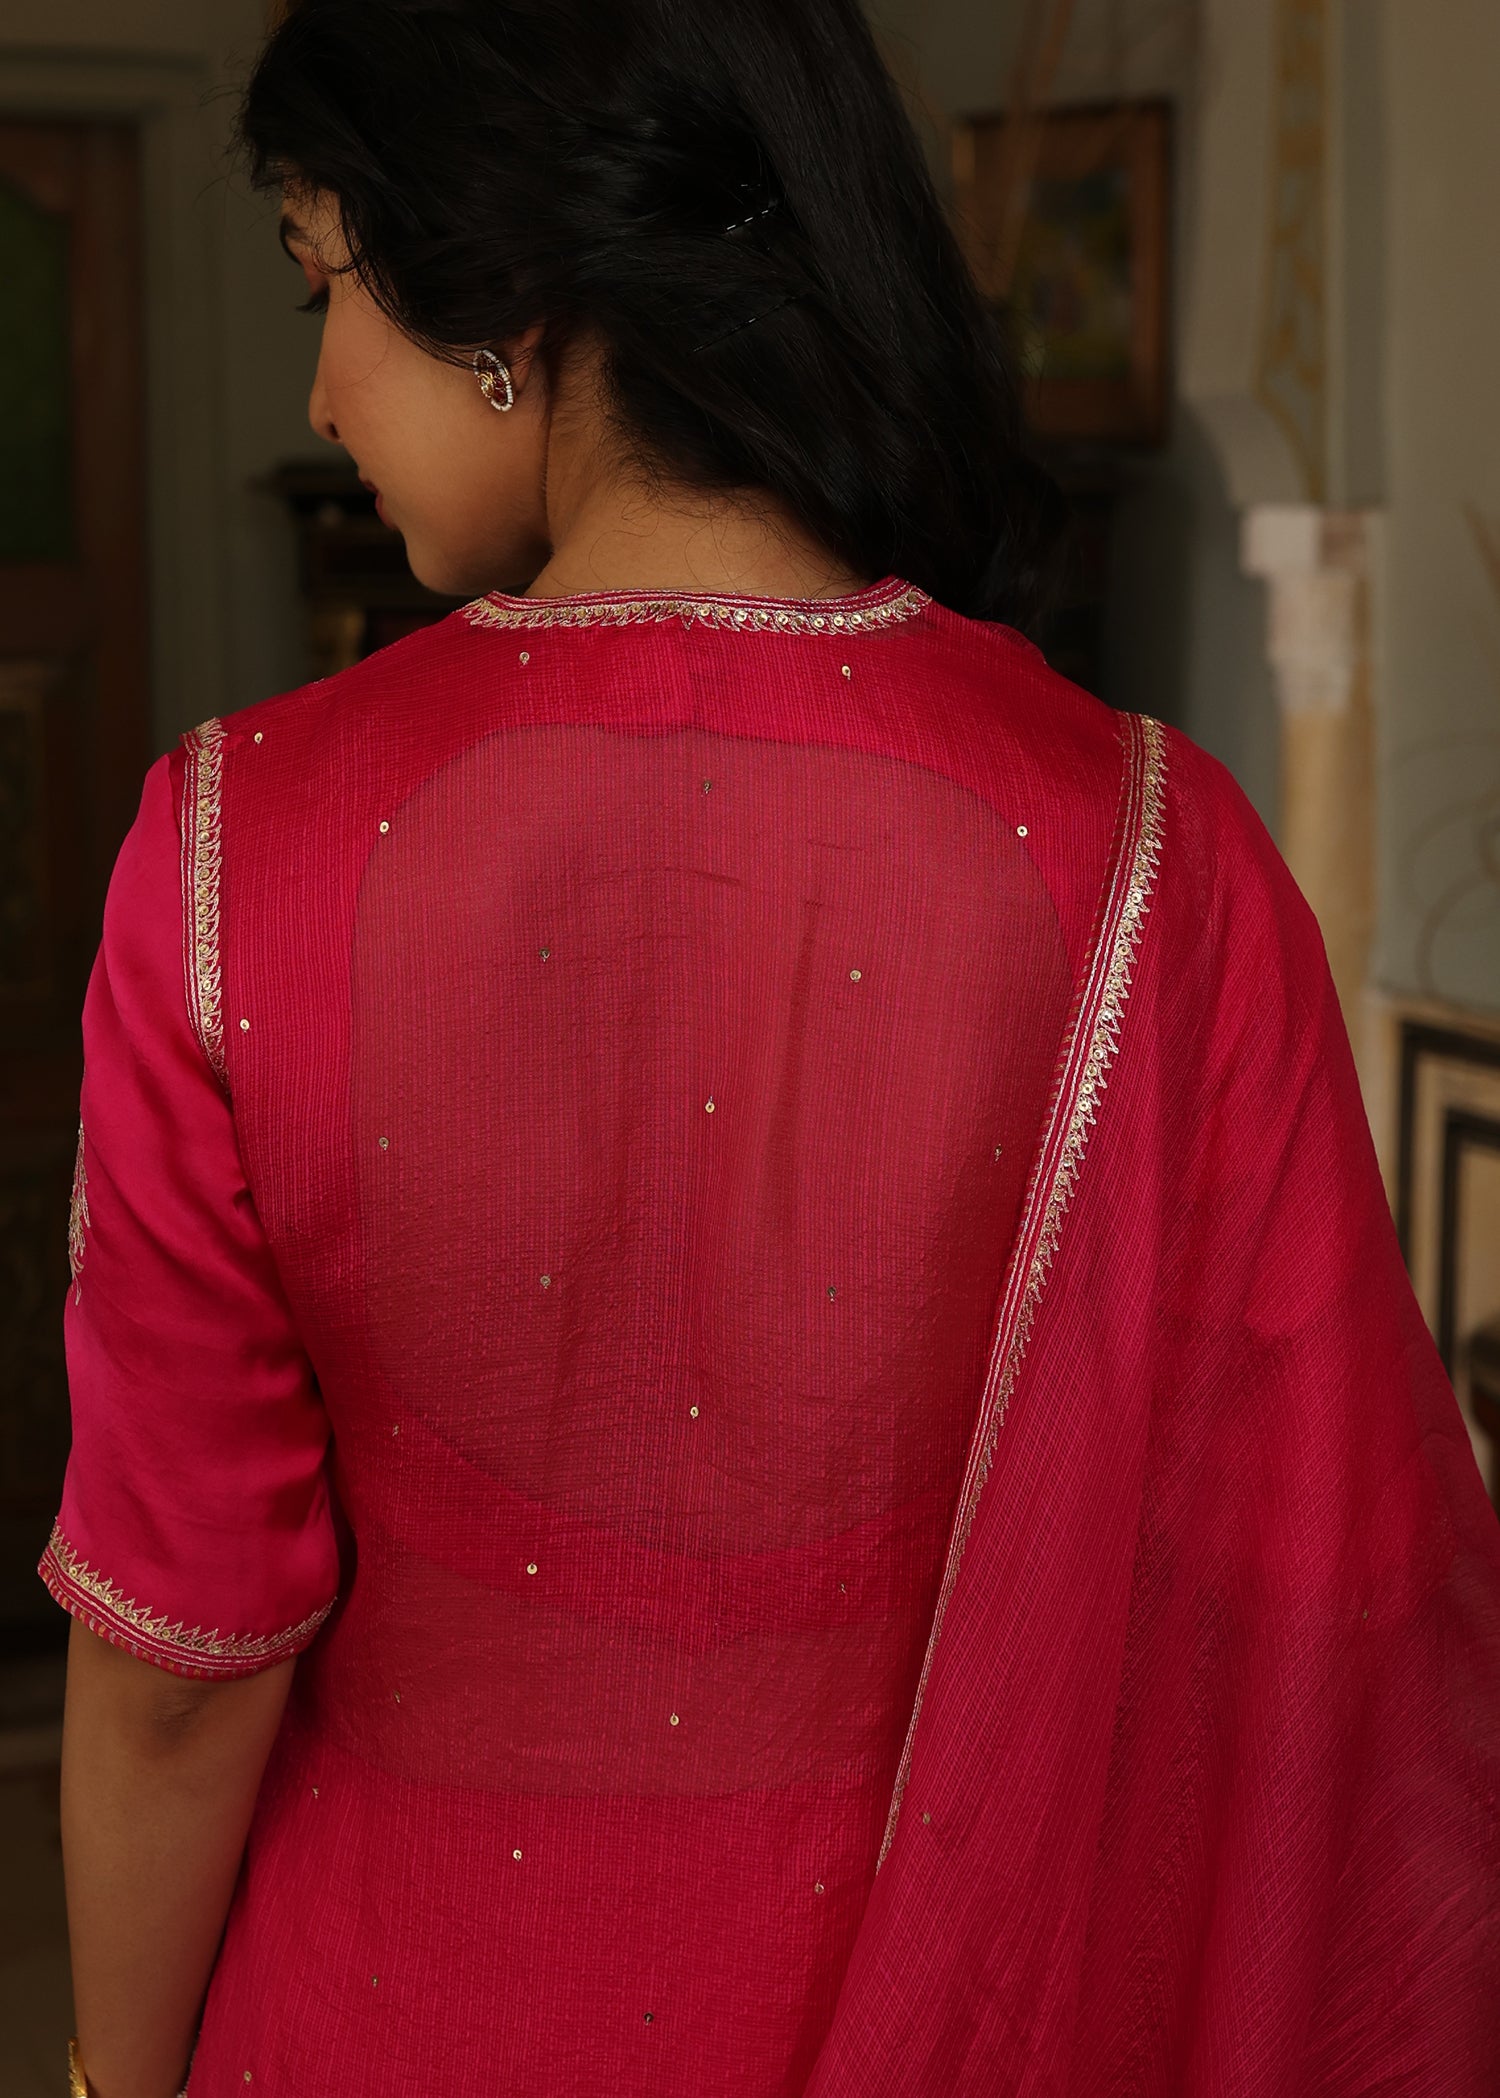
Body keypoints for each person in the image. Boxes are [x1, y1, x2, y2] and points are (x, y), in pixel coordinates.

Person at [44, 2, 1500, 2094]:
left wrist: (109, 2072)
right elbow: (1306, 1613)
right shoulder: (1152, 853)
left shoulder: (224, 852)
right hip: (990, 2024)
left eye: (322, 282)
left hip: (384, 2017)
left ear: (505, 292)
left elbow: (181, 1671)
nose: (320, 387)